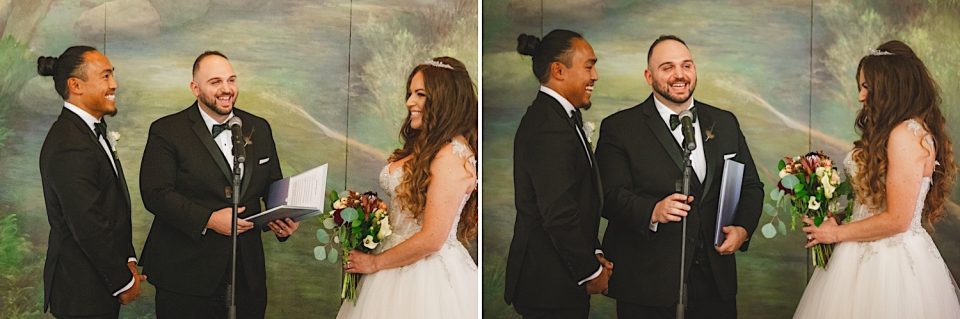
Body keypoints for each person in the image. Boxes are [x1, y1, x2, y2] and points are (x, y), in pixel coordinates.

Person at [595, 35, 764, 319]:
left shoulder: (724, 122)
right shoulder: (619, 127)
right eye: (667, 67)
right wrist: (653, 210)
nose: (679, 75)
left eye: (686, 65)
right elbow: (608, 197)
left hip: (715, 284)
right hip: (647, 285)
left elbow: (751, 186)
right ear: (649, 76)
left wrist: (743, 229)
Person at [794, 40, 960, 319]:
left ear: (890, 85)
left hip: (889, 265)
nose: (860, 96)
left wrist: (834, 234)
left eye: (866, 86)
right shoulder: (898, 132)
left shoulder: (905, 135)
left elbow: (897, 219)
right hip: (860, 251)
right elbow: (873, 203)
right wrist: (837, 218)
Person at [139, 51, 299, 318]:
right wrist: (209, 220)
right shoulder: (167, 130)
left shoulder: (259, 127)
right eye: (215, 82)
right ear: (195, 88)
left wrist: (283, 220)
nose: (226, 89)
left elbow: (272, 185)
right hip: (186, 275)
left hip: (247, 277)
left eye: (231, 80)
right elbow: (155, 194)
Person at [335, 56, 478, 318]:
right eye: (410, 93)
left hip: (424, 276)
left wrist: (374, 262)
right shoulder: (426, 146)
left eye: (420, 94)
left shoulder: (451, 156)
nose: (409, 102)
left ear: (444, 99)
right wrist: (371, 220)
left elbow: (432, 238)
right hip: (393, 259)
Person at [504, 30, 612, 319]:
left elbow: (579, 199)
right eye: (589, 66)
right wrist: (590, 271)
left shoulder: (560, 117)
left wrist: (595, 252)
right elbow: (559, 212)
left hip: (560, 283)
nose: (595, 75)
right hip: (548, 287)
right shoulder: (548, 127)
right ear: (558, 70)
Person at [38, 46, 145, 318]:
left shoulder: (90, 130)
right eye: (106, 76)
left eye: (113, 76)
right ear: (76, 85)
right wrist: (122, 280)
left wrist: (129, 259)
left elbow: (113, 205)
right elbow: (88, 223)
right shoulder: (69, 144)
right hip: (81, 289)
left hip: (98, 283)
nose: (114, 84)